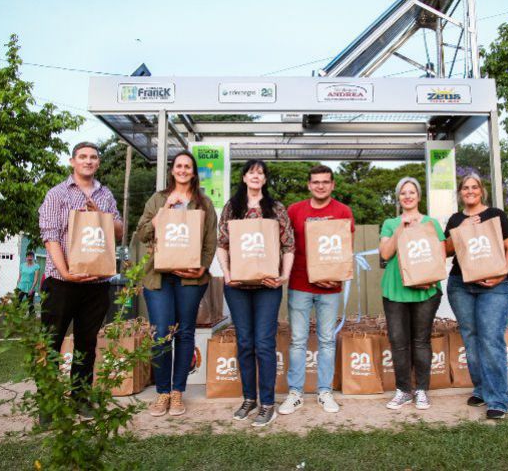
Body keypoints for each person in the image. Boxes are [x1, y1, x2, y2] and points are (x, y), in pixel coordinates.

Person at [38, 141, 123, 422]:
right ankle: (48, 404)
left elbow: (119, 233)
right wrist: (66, 273)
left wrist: (100, 212)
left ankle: (80, 398)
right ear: (72, 161)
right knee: (52, 342)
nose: (88, 161)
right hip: (61, 282)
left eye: (93, 157)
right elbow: (50, 237)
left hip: (96, 283)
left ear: (98, 163)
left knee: (87, 344)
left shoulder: (106, 195)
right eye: (83, 157)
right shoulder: (57, 194)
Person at [136, 151, 217, 417]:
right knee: (161, 334)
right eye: (178, 166)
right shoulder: (158, 199)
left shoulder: (203, 203)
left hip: (190, 279)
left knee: (184, 334)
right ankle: (162, 392)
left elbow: (210, 242)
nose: (183, 170)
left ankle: (177, 392)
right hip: (158, 277)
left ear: (193, 173)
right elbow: (142, 233)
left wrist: (201, 268)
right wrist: (164, 210)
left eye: (188, 167)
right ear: (172, 170)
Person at [216, 159, 294, 428]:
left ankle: (268, 404)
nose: (256, 176)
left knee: (264, 344)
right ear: (244, 177)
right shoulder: (232, 207)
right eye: (251, 172)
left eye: (260, 173)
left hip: (267, 287)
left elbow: (289, 246)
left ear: (265, 179)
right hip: (236, 287)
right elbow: (222, 244)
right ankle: (249, 398)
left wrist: (284, 276)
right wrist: (226, 274)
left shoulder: (275, 209)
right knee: (245, 343)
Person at [278, 165, 354, 416]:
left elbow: (345, 250)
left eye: (325, 182)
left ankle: (324, 391)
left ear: (332, 185)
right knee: (298, 341)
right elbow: (285, 245)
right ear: (309, 185)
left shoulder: (342, 211)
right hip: (300, 284)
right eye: (316, 182)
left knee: (327, 341)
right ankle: (295, 393)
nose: (320, 186)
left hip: (330, 289)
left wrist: (333, 277)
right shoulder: (294, 211)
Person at [444, 173, 508, 419]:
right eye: (465, 187)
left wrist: (503, 272)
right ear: (460, 192)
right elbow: (445, 251)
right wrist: (461, 230)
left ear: (481, 190)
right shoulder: (455, 219)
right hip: (460, 285)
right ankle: (482, 389)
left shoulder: (496, 214)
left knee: (489, 339)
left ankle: (498, 399)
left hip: (494, 285)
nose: (470, 191)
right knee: (471, 338)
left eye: (474, 187)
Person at [378, 177, 445, 411]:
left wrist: (431, 280)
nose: (407, 196)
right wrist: (400, 228)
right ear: (398, 198)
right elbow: (385, 254)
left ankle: (422, 390)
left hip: (425, 292)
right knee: (398, 342)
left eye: (411, 192)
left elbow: (440, 255)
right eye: (403, 193)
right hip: (395, 290)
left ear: (418, 196)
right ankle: (403, 390)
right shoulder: (389, 223)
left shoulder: (431, 223)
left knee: (421, 341)